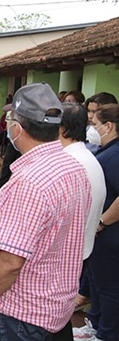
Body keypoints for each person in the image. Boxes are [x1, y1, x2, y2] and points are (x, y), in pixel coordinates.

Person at [0, 82, 91, 339]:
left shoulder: (29, 182)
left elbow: (10, 262)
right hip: (54, 308)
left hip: (21, 313)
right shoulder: (73, 168)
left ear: (18, 127)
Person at [52, 103, 105, 340]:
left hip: (64, 254)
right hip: (78, 250)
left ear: (62, 129)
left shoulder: (72, 164)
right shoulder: (86, 157)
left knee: (51, 316)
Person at [73, 103, 119, 341]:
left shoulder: (114, 155)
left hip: (110, 233)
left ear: (109, 126)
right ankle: (96, 324)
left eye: (94, 124)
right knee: (97, 281)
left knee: (109, 286)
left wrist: (101, 222)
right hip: (102, 233)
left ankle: (107, 334)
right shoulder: (108, 150)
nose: (91, 129)